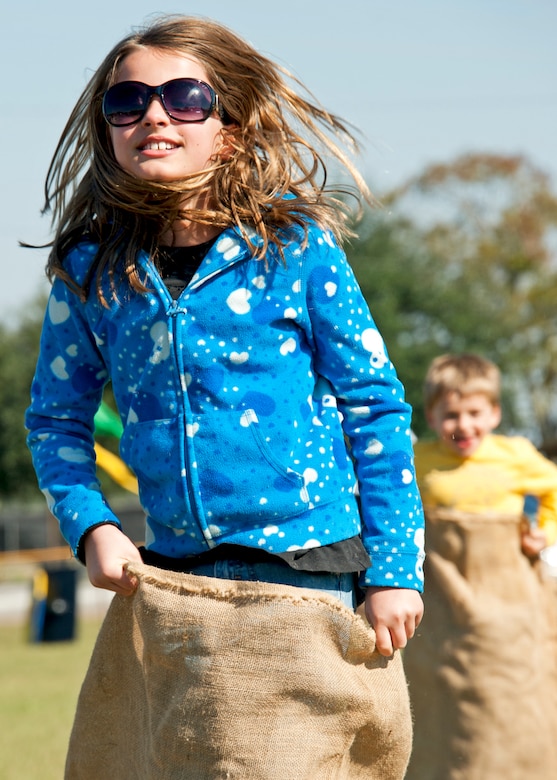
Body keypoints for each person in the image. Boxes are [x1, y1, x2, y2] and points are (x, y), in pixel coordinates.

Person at [25, 14, 424, 778]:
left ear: (230, 130)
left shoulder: (297, 247)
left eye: (183, 97)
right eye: (127, 102)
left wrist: (396, 568)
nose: (152, 114)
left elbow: (374, 407)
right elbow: (54, 420)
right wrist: (91, 525)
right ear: (107, 128)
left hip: (310, 573)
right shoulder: (90, 270)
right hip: (176, 583)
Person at [404, 352, 557, 780]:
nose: (463, 425)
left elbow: (552, 491)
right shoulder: (420, 461)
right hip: (441, 601)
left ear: (495, 413)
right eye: (451, 414)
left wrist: (544, 530)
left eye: (474, 413)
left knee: (511, 688)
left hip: (505, 597)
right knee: (439, 694)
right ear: (431, 415)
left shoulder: (516, 455)